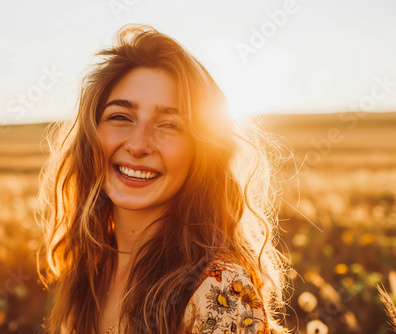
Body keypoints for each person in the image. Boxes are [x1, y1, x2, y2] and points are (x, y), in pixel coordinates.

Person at [36, 24, 289, 334]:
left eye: (169, 125)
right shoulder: (91, 266)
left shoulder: (219, 289)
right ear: (91, 134)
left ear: (202, 151)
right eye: (120, 117)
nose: (138, 144)